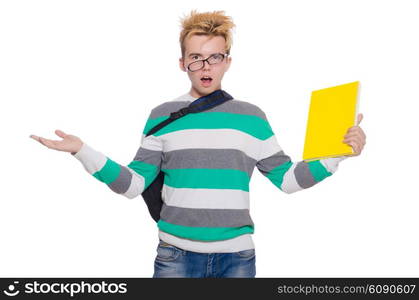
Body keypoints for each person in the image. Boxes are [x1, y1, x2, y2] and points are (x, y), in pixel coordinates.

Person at [29, 10, 367, 278]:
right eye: (195, 58)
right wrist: (81, 151)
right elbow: (132, 185)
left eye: (215, 57)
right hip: (174, 258)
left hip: (237, 259)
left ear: (227, 61)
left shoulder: (253, 118)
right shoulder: (162, 115)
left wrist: (337, 155)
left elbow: (288, 180)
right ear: (182, 63)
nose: (205, 66)